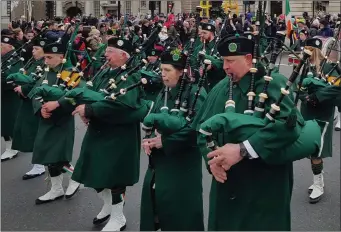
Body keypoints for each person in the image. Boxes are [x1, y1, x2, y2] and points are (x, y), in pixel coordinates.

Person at [193, 34, 319, 230]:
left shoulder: (273, 83)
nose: (225, 66)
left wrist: (243, 149)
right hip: (226, 185)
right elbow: (201, 128)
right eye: (224, 60)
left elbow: (288, 128)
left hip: (264, 187)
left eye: (231, 61)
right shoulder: (221, 87)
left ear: (249, 59)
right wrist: (211, 161)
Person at [66, 37, 147, 231]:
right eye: (107, 51)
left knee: (114, 177)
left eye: (110, 51)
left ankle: (118, 217)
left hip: (119, 134)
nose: (106, 54)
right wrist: (84, 108)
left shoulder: (132, 76)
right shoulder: (103, 72)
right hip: (99, 131)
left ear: (123, 56)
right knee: (93, 171)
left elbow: (120, 104)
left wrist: (91, 110)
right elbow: (89, 92)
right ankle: (108, 205)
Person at [140, 48, 207, 231]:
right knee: (156, 205)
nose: (163, 74)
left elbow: (197, 130)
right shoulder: (165, 91)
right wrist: (148, 139)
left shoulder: (195, 93)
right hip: (158, 163)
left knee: (181, 212)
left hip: (183, 165)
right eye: (161, 70)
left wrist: (165, 142)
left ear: (181, 71)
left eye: (167, 70)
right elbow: (153, 118)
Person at [30, 38, 80, 204]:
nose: (46, 60)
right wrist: (41, 108)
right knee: (48, 156)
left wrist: (57, 105)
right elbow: (35, 93)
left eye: (50, 58)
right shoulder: (45, 71)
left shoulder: (70, 72)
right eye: (45, 57)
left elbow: (75, 98)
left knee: (59, 156)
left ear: (61, 57)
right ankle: (56, 189)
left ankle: (76, 177)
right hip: (46, 120)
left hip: (61, 121)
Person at [299, 38, 341, 203]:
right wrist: (305, 96)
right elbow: (297, 86)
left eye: (308, 49)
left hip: (323, 114)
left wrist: (317, 96)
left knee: (317, 150)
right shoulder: (304, 67)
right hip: (307, 112)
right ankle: (318, 179)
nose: (305, 52)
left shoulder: (331, 68)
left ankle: (318, 185)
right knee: (311, 150)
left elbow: (336, 89)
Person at [9, 37, 46, 179]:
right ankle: (39, 164)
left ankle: (40, 165)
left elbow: (39, 83)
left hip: (36, 102)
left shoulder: (45, 64)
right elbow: (25, 76)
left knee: (36, 133)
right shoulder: (33, 62)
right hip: (27, 102)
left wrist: (23, 89)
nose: (33, 51)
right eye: (33, 48)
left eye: (37, 49)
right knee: (28, 132)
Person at [1, 30, 22, 161]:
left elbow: (11, 79)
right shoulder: (4, 58)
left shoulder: (13, 59)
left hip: (10, 97)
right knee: (4, 122)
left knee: (8, 122)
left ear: (9, 47)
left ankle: (12, 148)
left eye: (1, 46)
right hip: (4, 96)